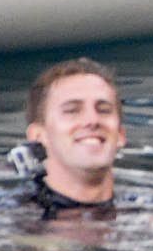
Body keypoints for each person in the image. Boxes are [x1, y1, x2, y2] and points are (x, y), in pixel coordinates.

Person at [15, 57, 125, 220]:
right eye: (72, 110)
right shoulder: (10, 219)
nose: (92, 121)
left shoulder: (150, 215)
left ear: (120, 135)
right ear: (38, 136)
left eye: (104, 110)